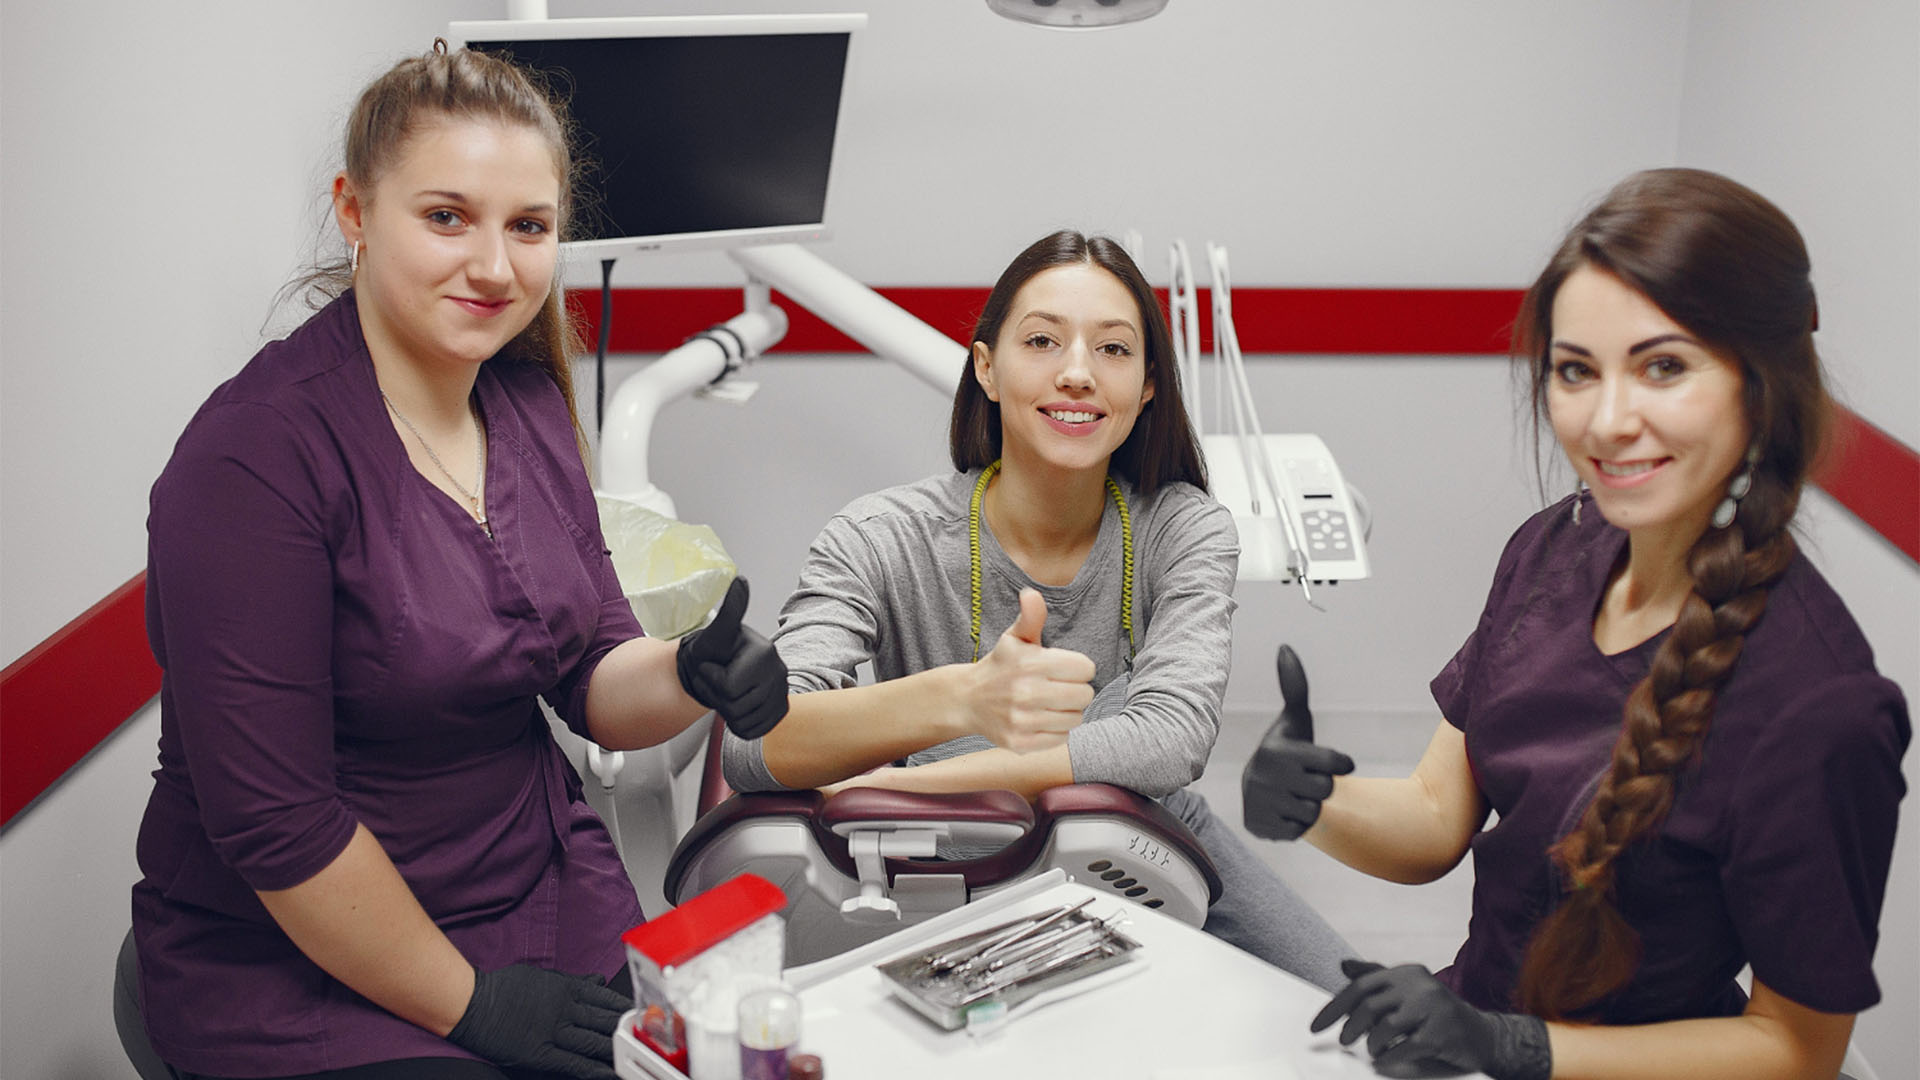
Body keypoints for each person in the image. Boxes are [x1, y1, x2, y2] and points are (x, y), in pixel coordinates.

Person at [131, 43, 787, 1080]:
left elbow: (589, 675)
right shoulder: (254, 460)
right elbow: (276, 824)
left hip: (541, 899)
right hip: (308, 964)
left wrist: (686, 675)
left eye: (528, 227)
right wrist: (472, 1003)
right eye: (447, 217)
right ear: (355, 210)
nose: (495, 266)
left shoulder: (521, 401)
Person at [1243, 168, 1910, 1079]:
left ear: (1763, 383)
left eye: (1664, 366)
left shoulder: (1820, 703)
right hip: (1464, 1038)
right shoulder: (1553, 550)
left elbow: (1796, 1048)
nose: (1607, 420)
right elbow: (1439, 819)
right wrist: (1314, 805)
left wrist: (1516, 1047)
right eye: (1574, 371)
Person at [719, 229, 1354, 990]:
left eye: (1115, 350)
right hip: (937, 864)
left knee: (1349, 1013)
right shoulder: (879, 537)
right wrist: (961, 699)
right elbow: (755, 747)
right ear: (986, 366)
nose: (1079, 373)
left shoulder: (1182, 528)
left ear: (1149, 383)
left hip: (1141, 841)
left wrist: (898, 788)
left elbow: (1168, 741)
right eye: (1044, 341)